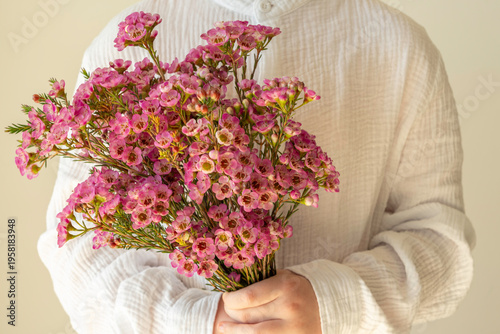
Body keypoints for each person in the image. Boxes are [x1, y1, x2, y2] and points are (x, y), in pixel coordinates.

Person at [38, 0, 476, 333]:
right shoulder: (123, 40)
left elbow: (438, 238)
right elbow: (76, 250)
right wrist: (196, 320)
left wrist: (332, 301)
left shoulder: (400, 47)